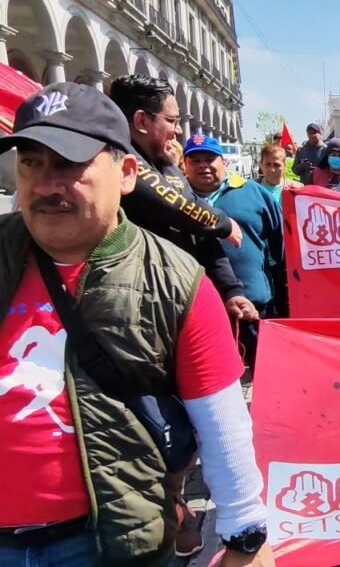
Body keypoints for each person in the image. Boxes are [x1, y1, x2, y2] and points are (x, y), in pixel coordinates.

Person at [0, 82, 273, 566]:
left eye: (67, 163)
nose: (45, 185)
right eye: (31, 162)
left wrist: (245, 538)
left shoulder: (176, 281)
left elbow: (223, 425)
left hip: (107, 545)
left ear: (126, 173)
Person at [108, 76, 254, 321]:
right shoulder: (117, 156)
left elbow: (198, 230)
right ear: (141, 121)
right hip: (139, 308)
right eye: (171, 121)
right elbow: (174, 204)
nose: (178, 130)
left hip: (180, 300)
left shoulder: (164, 165)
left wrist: (231, 290)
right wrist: (223, 223)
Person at [183, 134, 285, 369]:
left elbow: (280, 249)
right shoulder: (175, 199)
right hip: (195, 314)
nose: (203, 165)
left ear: (224, 162)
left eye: (210, 159)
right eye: (195, 160)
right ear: (185, 164)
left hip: (253, 309)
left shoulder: (253, 192)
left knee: (266, 374)